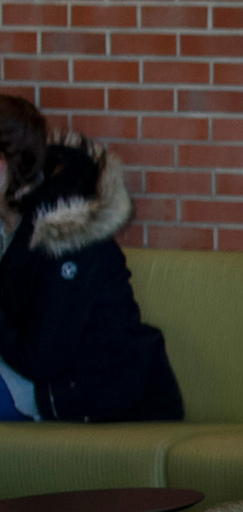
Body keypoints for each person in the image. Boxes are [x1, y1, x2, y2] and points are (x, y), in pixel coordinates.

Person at [0, 94, 181, 423]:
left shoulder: (68, 237)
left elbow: (41, 358)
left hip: (93, 397)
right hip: (28, 379)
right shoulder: (7, 226)